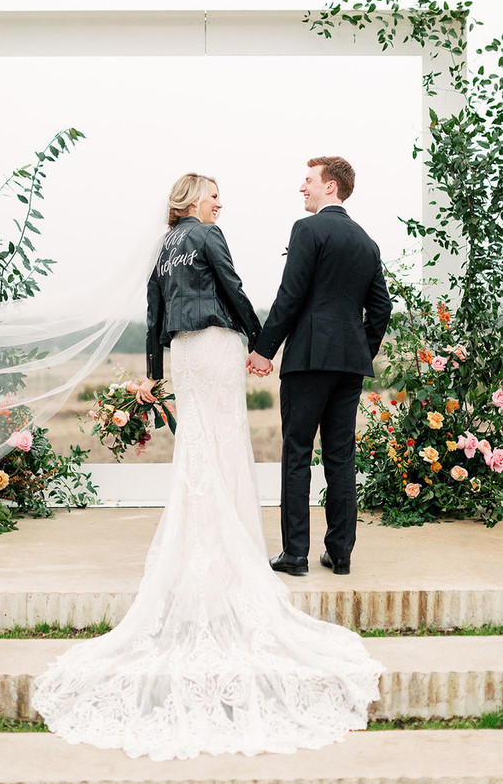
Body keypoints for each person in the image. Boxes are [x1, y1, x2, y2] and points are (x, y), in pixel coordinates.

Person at [32, 172, 383, 761]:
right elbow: (236, 285)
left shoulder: (164, 247)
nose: (221, 202)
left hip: (183, 353)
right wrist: (258, 338)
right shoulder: (217, 236)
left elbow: (153, 312)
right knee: (281, 451)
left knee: (216, 448)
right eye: (214, 193)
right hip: (239, 347)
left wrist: (154, 372)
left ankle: (265, 546)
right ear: (195, 198)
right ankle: (318, 549)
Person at [247, 156, 392, 577]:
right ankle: (341, 553)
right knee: (340, 457)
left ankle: (295, 555)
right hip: (349, 367)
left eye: (308, 180)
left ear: (330, 187)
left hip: (308, 360)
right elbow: (380, 308)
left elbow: (290, 296)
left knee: (296, 453)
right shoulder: (367, 242)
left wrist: (263, 349)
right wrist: (355, 350)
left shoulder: (307, 229)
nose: (302, 187)